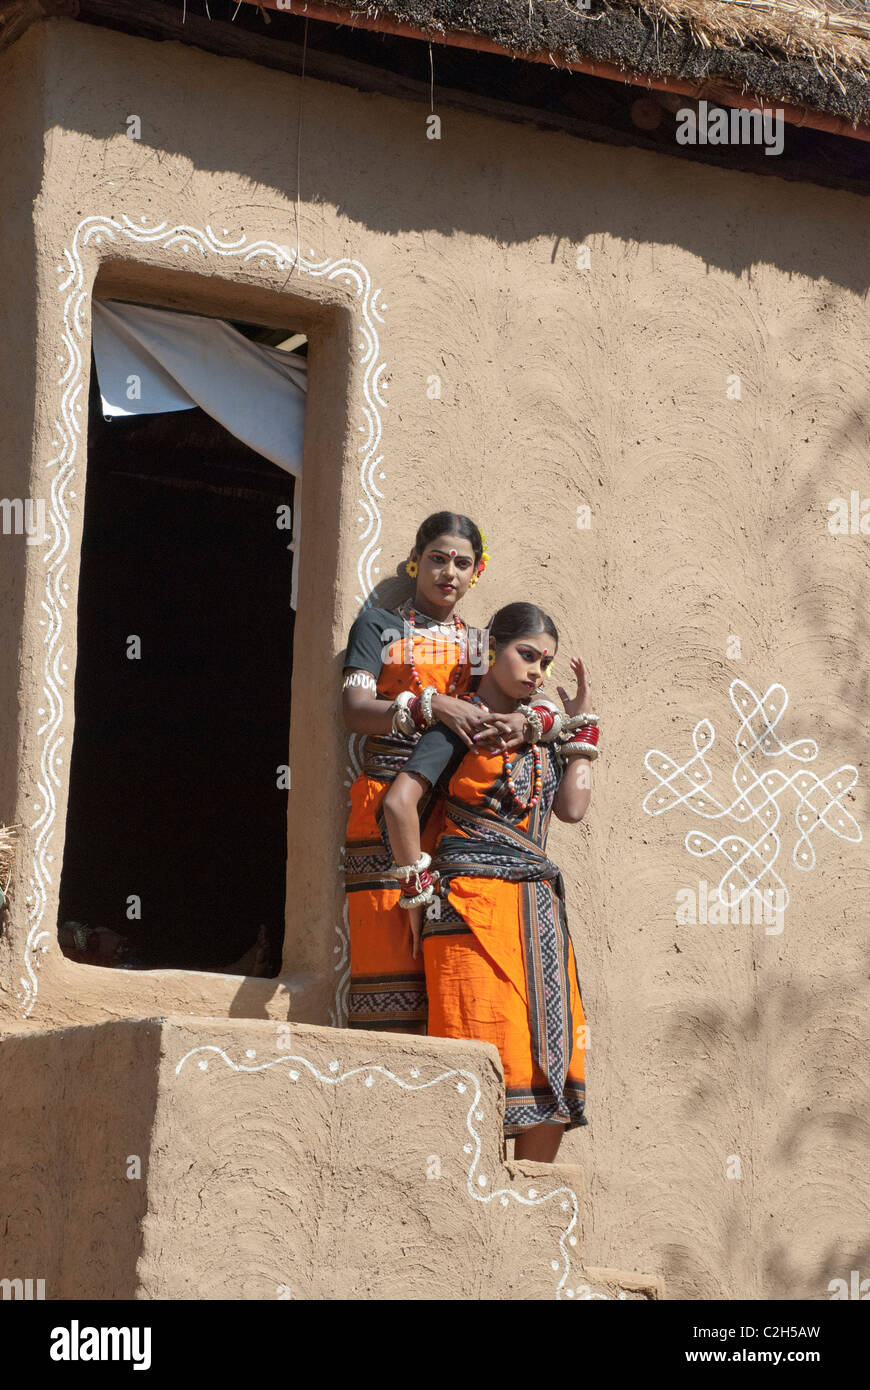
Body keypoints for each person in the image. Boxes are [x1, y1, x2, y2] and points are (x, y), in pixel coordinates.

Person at [382, 602, 597, 1161]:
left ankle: (529, 1216)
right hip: (468, 913)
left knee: (554, 1062)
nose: (537, 672)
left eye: (545, 662)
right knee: (478, 1053)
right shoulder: (461, 726)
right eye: (526, 654)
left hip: (539, 916)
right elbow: (400, 803)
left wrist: (582, 729)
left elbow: (573, 807)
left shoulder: (540, 733)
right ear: (492, 649)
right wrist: (415, 893)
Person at [342, 513, 527, 1032]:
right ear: (416, 560)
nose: (449, 572)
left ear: (478, 571)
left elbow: (518, 700)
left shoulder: (479, 645)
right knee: (388, 971)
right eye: (438, 559)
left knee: (452, 975)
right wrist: (433, 706)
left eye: (462, 563)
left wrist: (533, 721)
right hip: (384, 809)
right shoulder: (378, 626)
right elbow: (355, 709)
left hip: (456, 820)